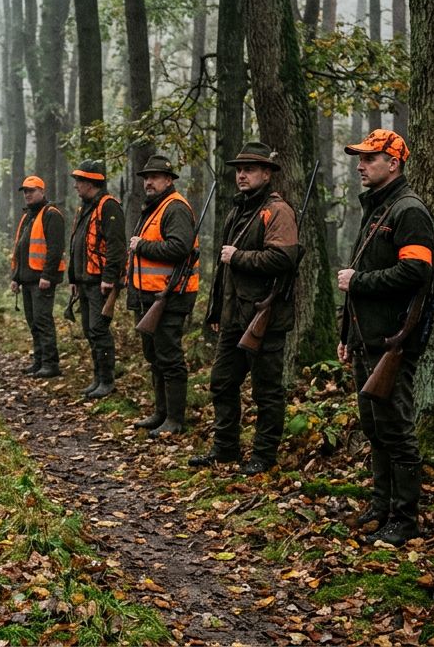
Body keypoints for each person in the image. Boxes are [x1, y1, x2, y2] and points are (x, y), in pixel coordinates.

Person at [334, 130, 434, 544]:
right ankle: (381, 505)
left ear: (393, 163)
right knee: (374, 427)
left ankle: (405, 519)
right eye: (360, 158)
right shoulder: (378, 207)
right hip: (367, 338)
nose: (360, 165)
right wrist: (347, 333)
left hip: (392, 339)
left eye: (369, 158)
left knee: (396, 430)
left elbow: (417, 273)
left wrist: (361, 281)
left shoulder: (408, 210)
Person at [190, 142, 299, 473]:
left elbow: (284, 258)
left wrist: (239, 257)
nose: (241, 175)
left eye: (249, 169)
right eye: (238, 170)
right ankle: (225, 450)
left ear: (266, 174)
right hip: (235, 317)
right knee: (222, 382)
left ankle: (264, 456)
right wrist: (215, 313)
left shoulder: (277, 211)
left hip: (265, 318)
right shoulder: (239, 210)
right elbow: (225, 273)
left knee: (267, 391)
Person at [126, 155, 199, 437]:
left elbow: (179, 247)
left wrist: (142, 246)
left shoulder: (175, 208)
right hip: (152, 295)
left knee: (169, 357)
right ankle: (161, 413)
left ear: (168, 180)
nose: (148, 182)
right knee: (154, 355)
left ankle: (175, 419)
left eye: (154, 177)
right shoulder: (155, 208)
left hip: (170, 295)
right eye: (146, 177)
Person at [67, 159, 125, 399]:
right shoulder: (85, 207)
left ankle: (107, 380)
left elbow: (116, 245)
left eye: (79, 180)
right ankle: (97, 378)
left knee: (99, 331)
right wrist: (74, 278)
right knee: (90, 331)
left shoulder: (108, 206)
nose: (76, 185)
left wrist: (109, 278)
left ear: (91, 182)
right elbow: (76, 244)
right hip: (85, 281)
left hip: (100, 282)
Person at [10, 175, 66, 378]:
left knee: (43, 321)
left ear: (42, 191)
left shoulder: (51, 214)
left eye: (31, 191)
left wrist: (47, 276)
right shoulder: (28, 216)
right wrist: (15, 277)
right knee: (33, 322)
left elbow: (55, 249)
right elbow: (20, 249)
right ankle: (39, 361)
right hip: (27, 279)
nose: (27, 194)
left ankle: (51, 364)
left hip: (41, 280)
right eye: (25, 191)